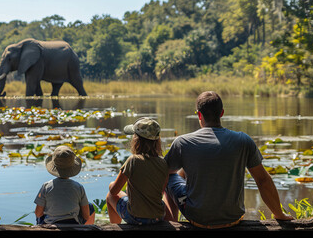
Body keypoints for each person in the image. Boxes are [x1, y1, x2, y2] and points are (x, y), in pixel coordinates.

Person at [164, 91, 294, 229]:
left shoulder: (182, 142)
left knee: (169, 177)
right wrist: (279, 214)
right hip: (233, 218)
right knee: (179, 174)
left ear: (199, 114)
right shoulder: (243, 140)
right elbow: (263, 181)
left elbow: (162, 174)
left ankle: (170, 225)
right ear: (221, 113)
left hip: (197, 218)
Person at [106, 117, 170, 225]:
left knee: (110, 196)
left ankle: (115, 227)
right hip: (158, 217)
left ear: (136, 139)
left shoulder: (133, 160)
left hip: (136, 217)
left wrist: (112, 185)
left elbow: (114, 191)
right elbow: (160, 192)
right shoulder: (164, 163)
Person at [34, 145, 95, 225]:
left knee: (42, 207)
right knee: (89, 206)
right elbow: (86, 216)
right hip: (73, 224)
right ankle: (86, 229)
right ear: (72, 167)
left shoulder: (46, 186)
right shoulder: (78, 187)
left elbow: (38, 213)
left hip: (50, 224)